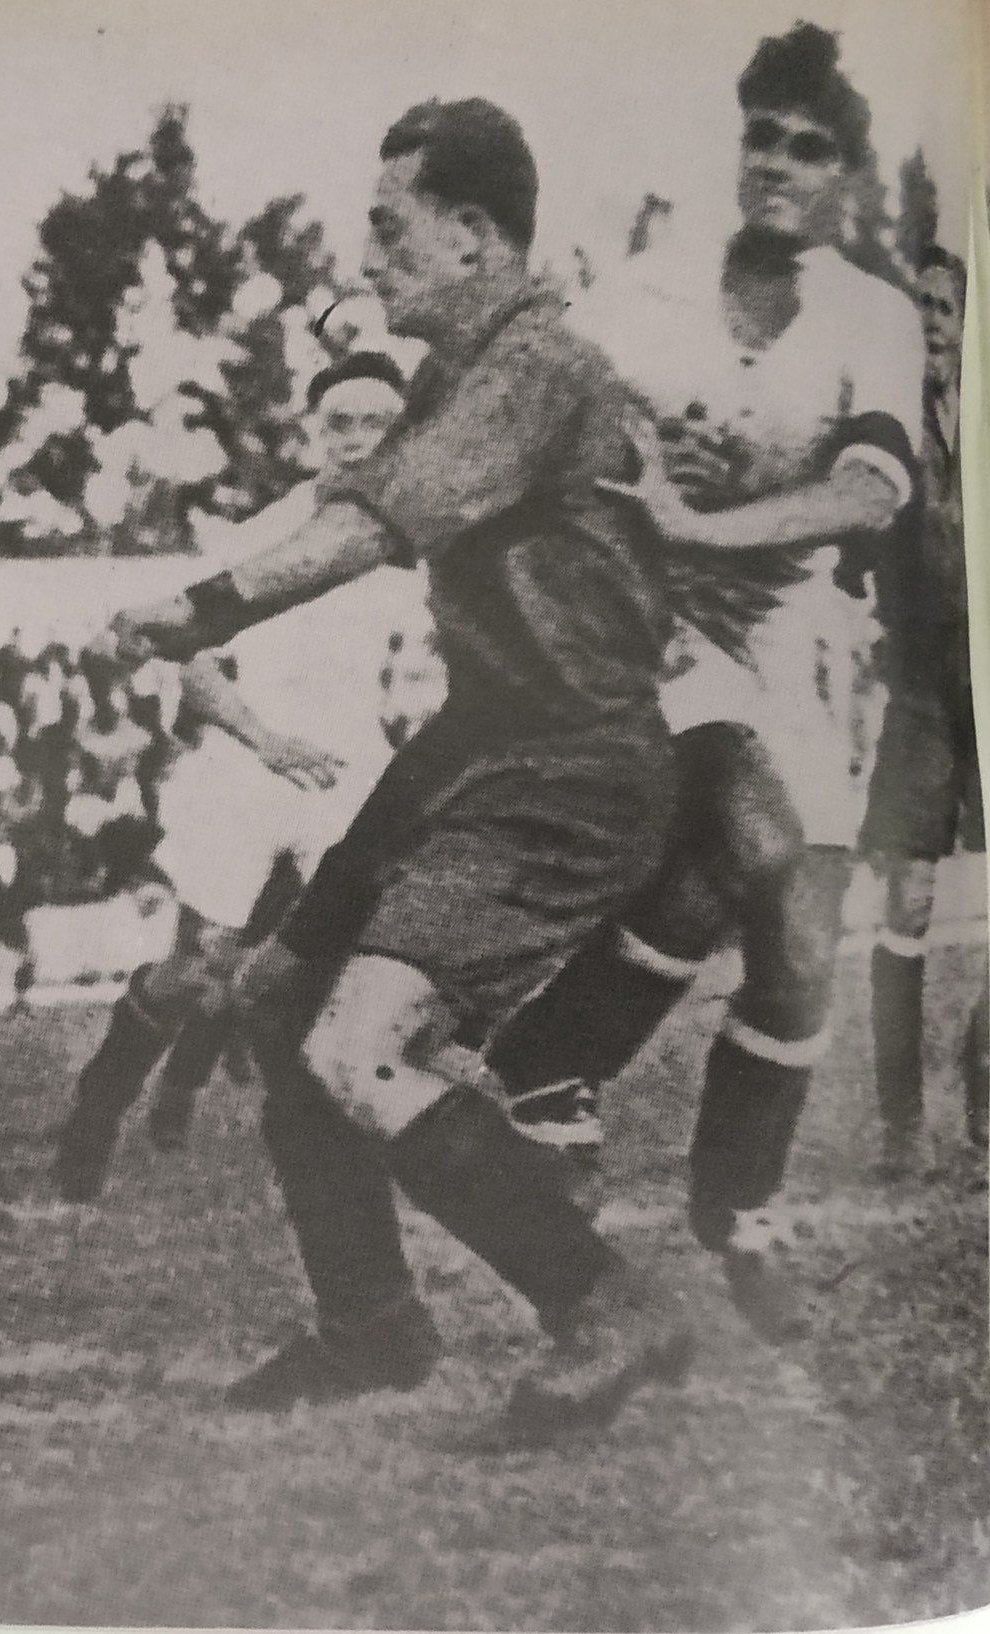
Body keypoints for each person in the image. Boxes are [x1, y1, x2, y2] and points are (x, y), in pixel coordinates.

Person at [110, 97, 689, 1433]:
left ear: (474, 234)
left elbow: (373, 523)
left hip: (565, 762)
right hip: (473, 742)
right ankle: (369, 1324)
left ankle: (602, 1299)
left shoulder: (536, 371)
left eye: (388, 228)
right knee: (274, 998)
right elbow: (359, 483)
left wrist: (204, 606)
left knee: (358, 1048)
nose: (365, 255)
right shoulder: (465, 372)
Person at [483, 24, 925, 1339]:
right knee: (760, 841)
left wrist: (705, 524)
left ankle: (703, 1182)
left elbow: (868, 490)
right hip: (647, 617)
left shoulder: (872, 316)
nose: (778, 163)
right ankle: (565, 1071)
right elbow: (540, 435)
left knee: (800, 935)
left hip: (786, 625)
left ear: (845, 176)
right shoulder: (642, 295)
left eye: (809, 148)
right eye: (762, 137)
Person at [52, 353, 407, 1198]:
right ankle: (102, 1099)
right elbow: (193, 661)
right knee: (202, 971)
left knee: (348, 976)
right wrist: (265, 738)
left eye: (377, 423)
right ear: (314, 431)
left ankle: (332, 1163)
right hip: (251, 769)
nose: (357, 439)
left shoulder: (419, 542)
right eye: (340, 422)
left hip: (354, 777)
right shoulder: (263, 536)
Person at [859, 245, 983, 1175]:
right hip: (917, 682)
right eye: (920, 310)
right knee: (906, 898)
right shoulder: (885, 425)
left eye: (946, 307)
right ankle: (901, 1124)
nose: (933, 324)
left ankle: (985, 1095)